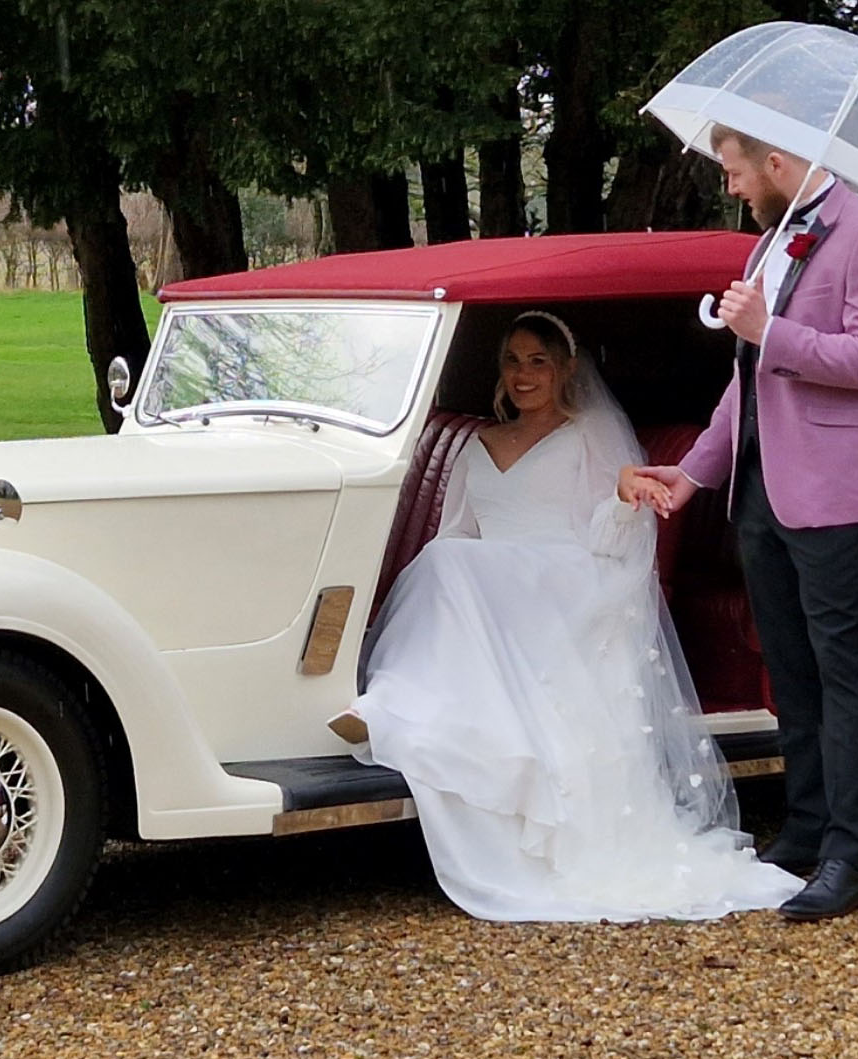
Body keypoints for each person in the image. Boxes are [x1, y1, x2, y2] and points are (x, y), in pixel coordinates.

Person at [328, 311, 802, 922]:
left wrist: (624, 495)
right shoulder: (480, 443)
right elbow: (459, 532)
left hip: (568, 575)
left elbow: (609, 542)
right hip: (492, 578)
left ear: (565, 369)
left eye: (538, 362)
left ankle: (398, 713)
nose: (523, 375)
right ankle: (391, 710)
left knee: (451, 566)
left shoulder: (588, 434)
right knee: (443, 562)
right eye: (512, 361)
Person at [624, 125, 858, 922]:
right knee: (788, 669)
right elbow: (746, 381)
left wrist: (771, 333)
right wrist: (693, 473)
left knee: (842, 671)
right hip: (758, 492)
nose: (731, 187)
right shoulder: (772, 243)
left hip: (836, 492)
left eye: (735, 171)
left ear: (778, 163)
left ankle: (849, 859)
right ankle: (804, 829)